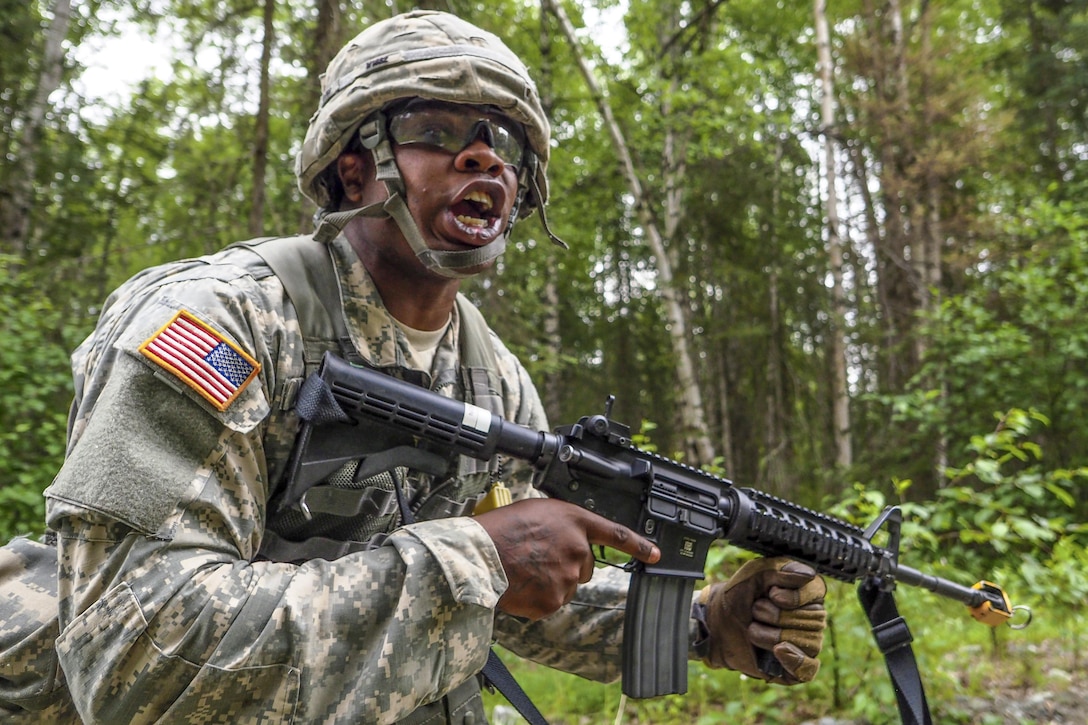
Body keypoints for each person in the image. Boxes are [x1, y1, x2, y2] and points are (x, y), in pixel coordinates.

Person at [32, 10, 827, 724]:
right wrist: (474, 556)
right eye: (437, 130)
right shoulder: (222, 320)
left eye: (502, 142)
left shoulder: (490, 372)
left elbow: (521, 591)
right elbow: (131, 655)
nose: (482, 154)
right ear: (355, 169)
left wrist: (707, 622)